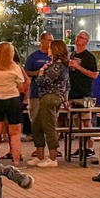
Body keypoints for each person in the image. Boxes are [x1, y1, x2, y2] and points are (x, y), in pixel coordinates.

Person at [0, 42, 28, 164]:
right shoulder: (15, 68)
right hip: (13, 100)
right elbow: (21, 85)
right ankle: (16, 161)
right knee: (15, 133)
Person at [31, 39, 70, 167]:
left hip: (50, 97)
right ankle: (40, 156)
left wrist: (41, 73)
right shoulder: (60, 66)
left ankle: (52, 158)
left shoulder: (57, 66)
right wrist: (65, 98)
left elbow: (43, 81)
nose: (48, 50)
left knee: (49, 126)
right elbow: (67, 85)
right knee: (36, 126)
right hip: (49, 97)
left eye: (50, 48)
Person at [68, 30, 99, 106]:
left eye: (81, 37)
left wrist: (79, 67)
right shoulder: (72, 55)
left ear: (86, 41)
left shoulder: (89, 57)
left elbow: (94, 75)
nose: (78, 39)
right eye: (77, 37)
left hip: (83, 93)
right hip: (71, 92)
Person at [24, 32, 54, 108]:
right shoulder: (34, 56)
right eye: (49, 40)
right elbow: (26, 72)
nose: (51, 43)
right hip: (36, 93)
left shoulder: (54, 56)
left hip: (51, 93)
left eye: (52, 40)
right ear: (42, 41)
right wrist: (38, 72)